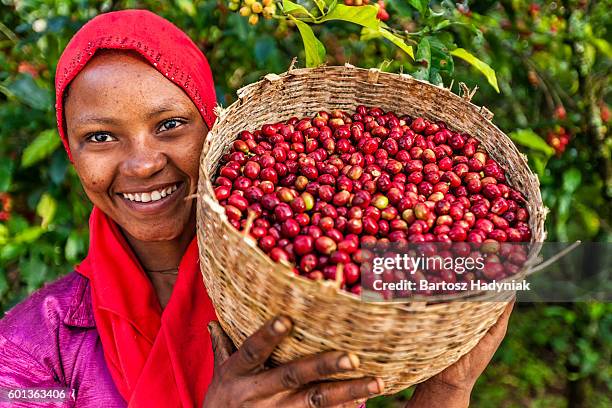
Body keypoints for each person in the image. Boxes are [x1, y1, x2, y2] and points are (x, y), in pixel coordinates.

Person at [0, 9, 514, 408]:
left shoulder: (301, 292)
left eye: (170, 125)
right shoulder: (30, 351)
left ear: (215, 128)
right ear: (71, 151)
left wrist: (448, 386)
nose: (141, 164)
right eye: (101, 137)